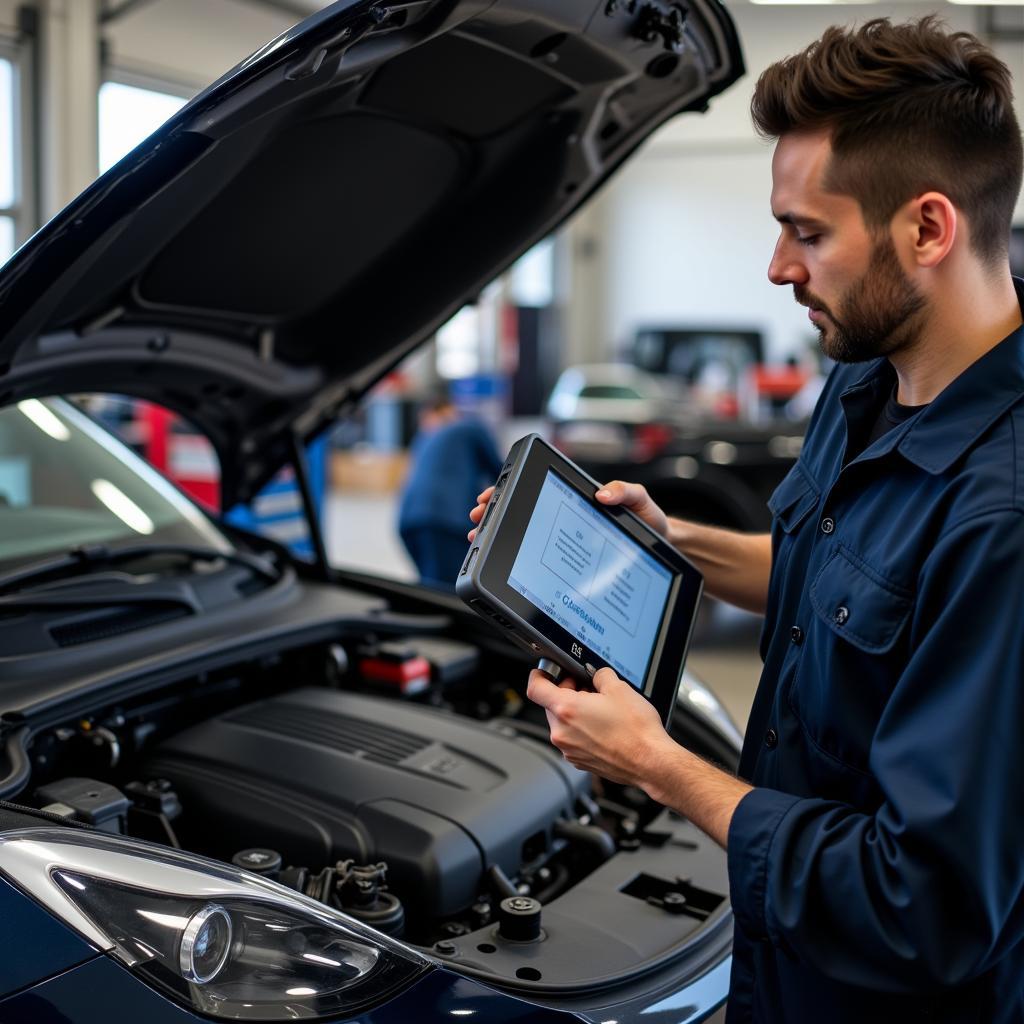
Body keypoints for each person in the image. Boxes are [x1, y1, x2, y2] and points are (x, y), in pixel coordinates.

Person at [470, 18, 1024, 1022]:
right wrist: (670, 538)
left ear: (928, 229)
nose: (776, 267)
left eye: (807, 233)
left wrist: (658, 764)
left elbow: (926, 906)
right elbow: (833, 579)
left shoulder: (1002, 516)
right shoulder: (863, 380)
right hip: (782, 967)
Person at [398, 395, 503, 588]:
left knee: (431, 586)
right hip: (445, 519)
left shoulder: (423, 438)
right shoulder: (471, 427)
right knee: (448, 593)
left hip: (407, 521)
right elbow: (504, 474)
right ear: (451, 410)